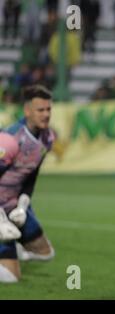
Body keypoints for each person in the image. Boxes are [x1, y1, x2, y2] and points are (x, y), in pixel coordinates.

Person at [0, 85, 56, 283]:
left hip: (14, 204)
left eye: (48, 109)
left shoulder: (48, 137)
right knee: (10, 278)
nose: (46, 114)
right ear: (27, 111)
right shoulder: (10, 140)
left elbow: (31, 176)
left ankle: (13, 247)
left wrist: (23, 205)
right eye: (40, 110)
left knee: (46, 253)